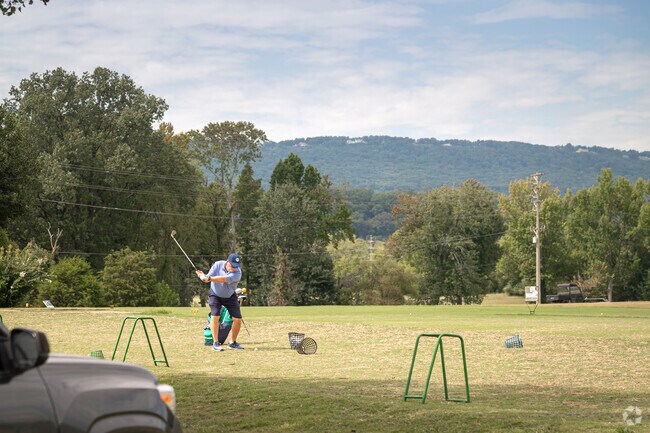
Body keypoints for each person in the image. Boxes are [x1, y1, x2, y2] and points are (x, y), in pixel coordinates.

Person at [196, 253, 244, 351]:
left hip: (230, 296)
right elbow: (208, 277)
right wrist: (203, 276)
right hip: (215, 295)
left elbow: (222, 279)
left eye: (236, 266)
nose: (234, 268)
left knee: (238, 319)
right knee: (215, 317)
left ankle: (232, 342)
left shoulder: (237, 273)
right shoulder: (218, 265)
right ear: (227, 262)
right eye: (232, 266)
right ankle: (215, 343)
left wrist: (208, 279)